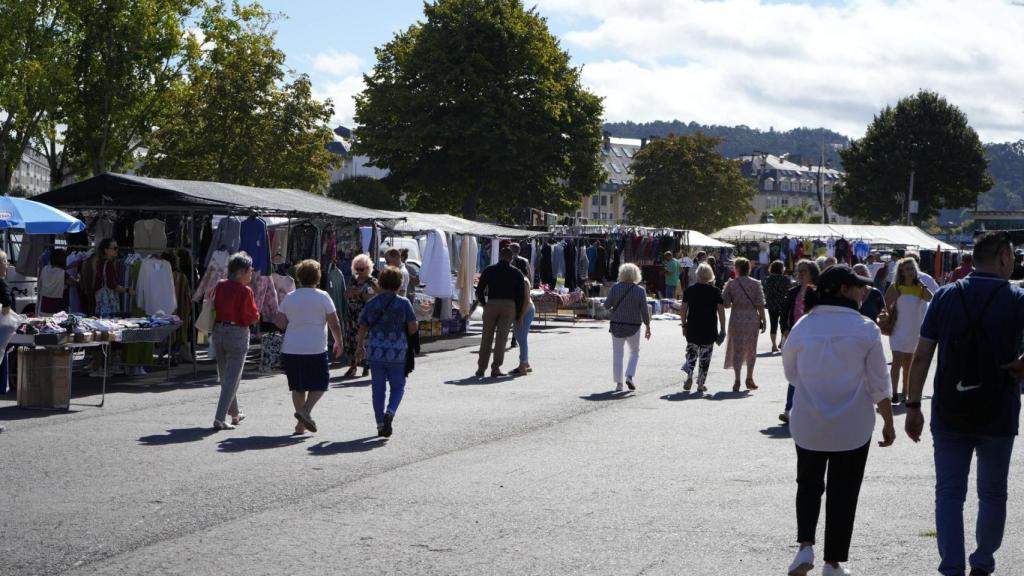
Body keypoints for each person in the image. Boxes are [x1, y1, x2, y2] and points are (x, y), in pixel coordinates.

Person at [905, 232, 1024, 576]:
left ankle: (952, 566)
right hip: (999, 411)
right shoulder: (1016, 297)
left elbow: (922, 355)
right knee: (993, 493)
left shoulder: (945, 296)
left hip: (950, 411)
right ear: (1002, 256)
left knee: (949, 493)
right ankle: (983, 562)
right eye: (1013, 257)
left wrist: (913, 406)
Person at [783, 265, 896, 576]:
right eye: (857, 286)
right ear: (843, 290)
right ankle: (833, 563)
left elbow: (791, 374)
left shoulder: (804, 326)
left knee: (807, 484)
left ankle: (805, 547)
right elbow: (878, 383)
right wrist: (888, 421)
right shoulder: (866, 328)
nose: (863, 291)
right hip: (853, 425)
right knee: (843, 491)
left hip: (809, 421)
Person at [274, 260, 345, 435]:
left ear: (298, 277)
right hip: (315, 348)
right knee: (321, 384)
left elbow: (280, 323)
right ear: (318, 277)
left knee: (298, 387)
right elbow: (334, 323)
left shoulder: (290, 297)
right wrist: (339, 342)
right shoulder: (323, 296)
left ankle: (300, 424)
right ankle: (305, 412)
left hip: (291, 348)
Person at [357, 266, 418, 437]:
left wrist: (360, 346)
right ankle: (390, 412)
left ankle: (379, 424)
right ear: (399, 284)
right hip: (397, 352)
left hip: (375, 352)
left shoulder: (372, 303)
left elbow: (362, 327)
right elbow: (412, 328)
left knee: (378, 389)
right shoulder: (404, 303)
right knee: (398, 387)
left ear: (381, 283)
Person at [211, 252, 260, 430]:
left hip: (218, 331)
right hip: (237, 333)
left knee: (226, 376)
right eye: (250, 270)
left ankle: (235, 413)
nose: (251, 273)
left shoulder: (220, 285)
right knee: (232, 378)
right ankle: (219, 417)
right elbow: (251, 317)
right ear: (240, 272)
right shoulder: (245, 291)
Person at [884, 257, 932, 404]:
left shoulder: (920, 288)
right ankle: (893, 392)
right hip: (898, 329)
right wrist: (888, 316)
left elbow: (930, 298)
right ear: (901, 272)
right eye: (906, 269)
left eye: (912, 268)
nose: (910, 272)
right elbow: (885, 304)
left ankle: (905, 391)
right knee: (897, 361)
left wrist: (922, 285)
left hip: (913, 331)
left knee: (908, 364)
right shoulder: (895, 287)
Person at [779, 259, 821, 423]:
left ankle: (808, 408)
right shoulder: (793, 292)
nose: (800, 274)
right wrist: (785, 329)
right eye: (799, 271)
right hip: (795, 337)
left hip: (814, 339)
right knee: (795, 374)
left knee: (809, 373)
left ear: (813, 273)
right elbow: (785, 312)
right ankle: (789, 409)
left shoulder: (819, 292)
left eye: (804, 271)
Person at [474, 248, 525, 378]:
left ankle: (481, 368)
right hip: (509, 306)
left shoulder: (489, 270)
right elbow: (521, 296)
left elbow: (479, 289)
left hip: (491, 304)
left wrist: (484, 304)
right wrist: (518, 314)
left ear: (499, 256)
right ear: (511, 258)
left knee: (486, 337)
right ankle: (495, 368)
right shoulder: (517, 273)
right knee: (501, 339)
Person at [722, 257, 767, 391]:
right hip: (752, 319)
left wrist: (726, 294)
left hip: (736, 319)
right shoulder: (756, 283)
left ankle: (737, 380)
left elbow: (726, 304)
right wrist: (763, 320)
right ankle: (749, 378)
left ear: (737, 268)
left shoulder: (732, 284)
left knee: (737, 349)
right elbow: (760, 304)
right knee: (751, 349)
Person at [604, 263, 651, 391]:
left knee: (618, 353)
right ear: (636, 275)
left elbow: (607, 305)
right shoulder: (640, 290)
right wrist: (648, 326)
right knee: (634, 352)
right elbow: (644, 311)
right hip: (634, 325)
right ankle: (629, 375)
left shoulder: (615, 288)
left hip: (617, 325)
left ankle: (619, 383)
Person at [680, 263, 725, 393]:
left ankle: (689, 375)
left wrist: (684, 325)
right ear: (710, 275)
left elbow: (683, 310)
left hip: (693, 327)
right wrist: (722, 328)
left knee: (691, 353)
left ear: (698, 274)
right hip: (709, 328)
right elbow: (721, 312)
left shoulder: (689, 290)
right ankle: (700, 383)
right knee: (705, 356)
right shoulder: (715, 291)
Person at [343, 254, 377, 378]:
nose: (359, 272)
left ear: (368, 268)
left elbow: (378, 296)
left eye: (361, 269)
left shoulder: (372, 281)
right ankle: (353, 366)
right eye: (357, 269)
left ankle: (366, 366)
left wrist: (362, 294)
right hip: (352, 315)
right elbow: (345, 294)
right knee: (352, 340)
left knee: (363, 341)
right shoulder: (353, 279)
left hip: (365, 315)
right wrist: (350, 293)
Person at [761, 260, 793, 353]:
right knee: (783, 324)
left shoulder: (768, 279)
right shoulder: (785, 279)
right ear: (780, 269)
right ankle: (781, 343)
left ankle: (774, 345)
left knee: (773, 324)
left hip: (771, 304)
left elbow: (765, 291)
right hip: (783, 303)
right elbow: (789, 291)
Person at [94, 238, 130, 317]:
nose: (117, 250)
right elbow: (111, 285)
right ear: (106, 250)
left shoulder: (100, 262)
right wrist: (127, 290)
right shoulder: (109, 264)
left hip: (101, 302)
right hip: (109, 302)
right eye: (114, 248)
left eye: (117, 248)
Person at [510, 271, 535, 376]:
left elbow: (526, 301)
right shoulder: (516, 279)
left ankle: (522, 366)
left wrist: (520, 317)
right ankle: (526, 362)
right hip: (520, 311)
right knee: (518, 336)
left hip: (526, 311)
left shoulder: (524, 281)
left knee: (521, 337)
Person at [39, 249, 74, 315]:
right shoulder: (63, 273)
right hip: (58, 308)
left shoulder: (45, 269)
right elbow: (75, 283)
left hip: (44, 306)